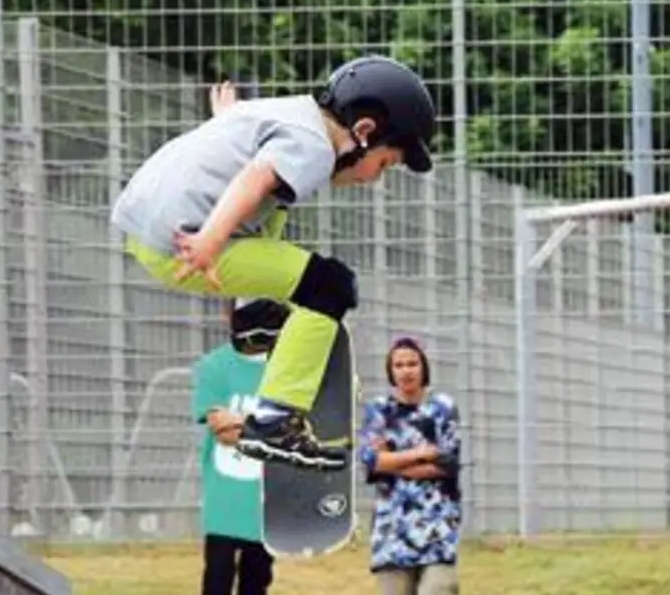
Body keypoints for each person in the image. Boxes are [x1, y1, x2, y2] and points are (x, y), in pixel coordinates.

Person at [109, 55, 437, 472]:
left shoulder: (279, 112)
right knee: (330, 287)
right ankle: (277, 419)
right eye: (385, 163)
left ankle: (255, 318)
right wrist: (210, 239)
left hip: (146, 226)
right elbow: (254, 179)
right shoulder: (316, 146)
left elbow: (241, 152)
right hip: (188, 244)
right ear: (365, 131)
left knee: (278, 206)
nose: (374, 178)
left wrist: (226, 119)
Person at [191, 297, 291, 595]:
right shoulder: (215, 366)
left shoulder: (284, 369)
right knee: (216, 580)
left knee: (257, 582)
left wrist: (246, 427)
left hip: (264, 499)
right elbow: (221, 427)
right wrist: (266, 428)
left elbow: (291, 429)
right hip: (225, 496)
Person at [359, 336, 464, 595]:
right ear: (391, 370)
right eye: (399, 365)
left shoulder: (442, 409)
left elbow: (447, 463)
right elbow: (371, 461)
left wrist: (393, 461)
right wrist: (422, 453)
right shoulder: (379, 411)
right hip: (393, 530)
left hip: (437, 527)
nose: (406, 371)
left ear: (423, 367)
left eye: (412, 364)